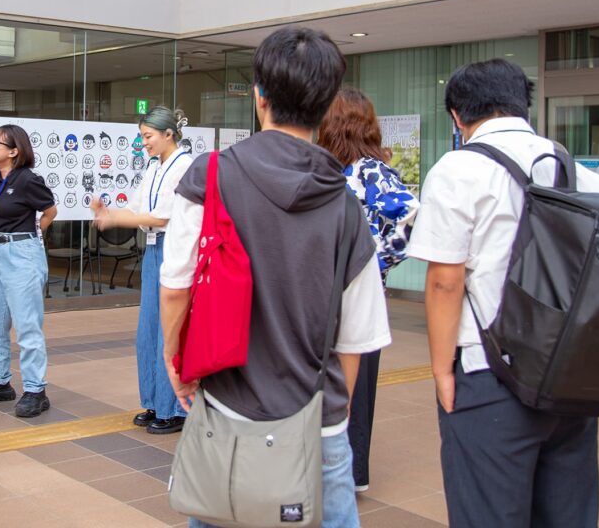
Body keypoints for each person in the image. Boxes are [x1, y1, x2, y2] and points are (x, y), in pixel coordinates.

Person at [159, 27, 392, 528]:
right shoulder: (346, 206)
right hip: (317, 431)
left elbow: (175, 285)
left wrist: (175, 359)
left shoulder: (210, 176)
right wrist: (327, 414)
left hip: (226, 416)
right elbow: (356, 341)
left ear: (259, 98)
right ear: (327, 103)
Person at [407, 59, 599, 528]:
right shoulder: (579, 172)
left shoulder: (460, 168)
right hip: (571, 375)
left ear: (457, 115)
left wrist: (440, 370)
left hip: (490, 372)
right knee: (567, 514)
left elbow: (444, 280)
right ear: (523, 103)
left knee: (489, 513)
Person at [317, 88, 419, 493]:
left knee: (352, 388)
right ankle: (338, 470)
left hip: (356, 294)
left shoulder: (370, 171)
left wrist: (373, 264)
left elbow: (412, 216)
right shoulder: (334, 169)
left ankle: (349, 475)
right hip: (330, 293)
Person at [90, 106, 194, 434]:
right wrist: (108, 212)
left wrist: (116, 218)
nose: (143, 142)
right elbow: (138, 208)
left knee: (169, 330)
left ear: (168, 134)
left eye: (147, 136)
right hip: (153, 250)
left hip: (173, 249)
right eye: (141, 136)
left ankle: (175, 408)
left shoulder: (183, 166)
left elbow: (161, 217)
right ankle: (154, 401)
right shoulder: (154, 167)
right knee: (148, 331)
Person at [0, 124, 58, 418]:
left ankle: (35, 390)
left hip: (21, 253)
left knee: (27, 325)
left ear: (14, 151)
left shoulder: (28, 180)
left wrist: (33, 236)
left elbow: (50, 211)